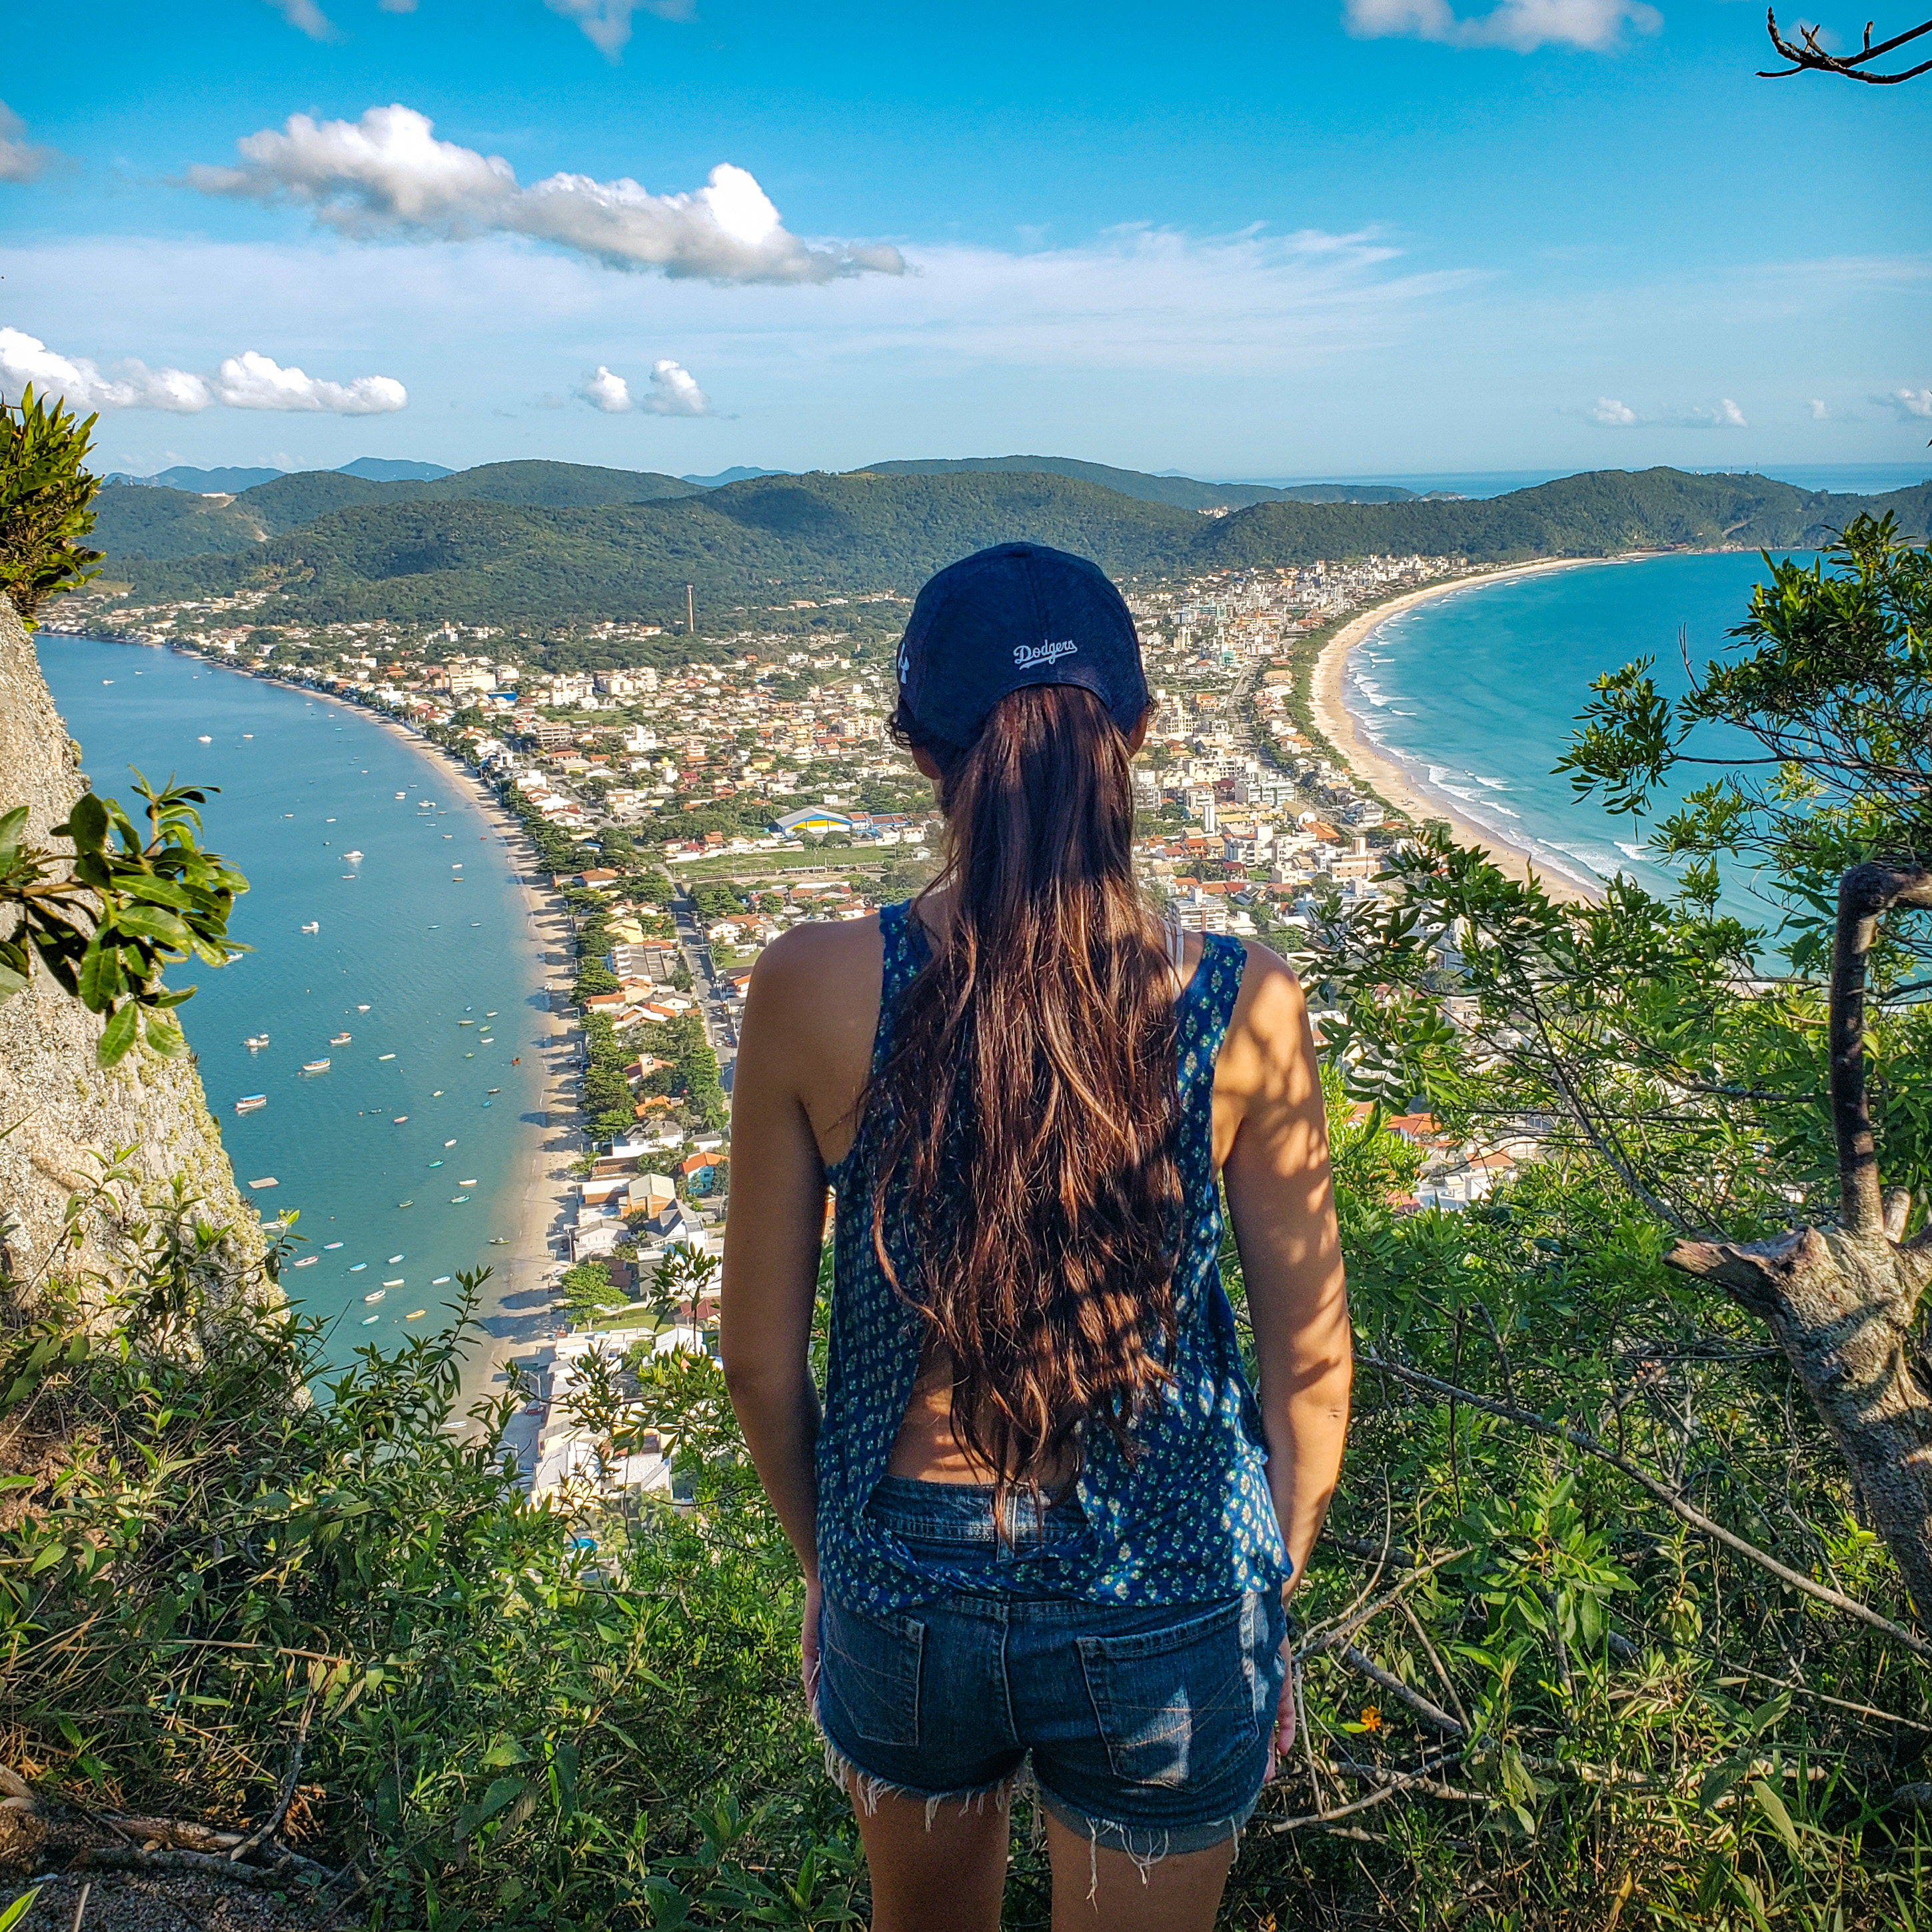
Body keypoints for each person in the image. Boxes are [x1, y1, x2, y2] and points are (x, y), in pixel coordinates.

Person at [721, 542, 1351, 1932]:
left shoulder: (813, 986)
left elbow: (758, 1365)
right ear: (1134, 731)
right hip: (1171, 1581)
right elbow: (1311, 1372)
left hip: (905, 1561)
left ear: (916, 748)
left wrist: (837, 1572)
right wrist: (1259, 1591)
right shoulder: (1242, 1002)